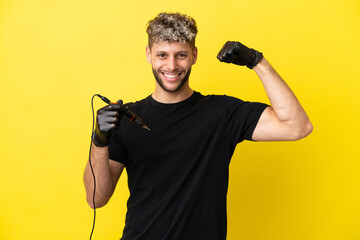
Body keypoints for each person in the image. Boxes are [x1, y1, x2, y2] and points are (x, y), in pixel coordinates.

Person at [83, 12, 312, 240]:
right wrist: (100, 140)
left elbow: (297, 127)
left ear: (194, 55)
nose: (171, 65)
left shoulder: (222, 112)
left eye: (180, 55)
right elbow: (96, 199)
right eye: (162, 55)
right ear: (148, 54)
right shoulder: (125, 118)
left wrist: (257, 61)